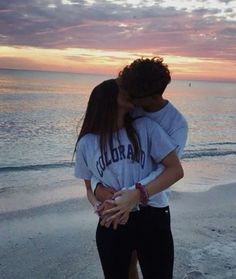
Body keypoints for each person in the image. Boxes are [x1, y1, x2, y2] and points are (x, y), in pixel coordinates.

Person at [74, 78, 184, 279]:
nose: (129, 91)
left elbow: (175, 170)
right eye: (122, 89)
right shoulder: (86, 143)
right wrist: (99, 207)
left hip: (152, 216)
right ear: (110, 100)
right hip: (113, 219)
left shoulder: (145, 127)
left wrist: (137, 194)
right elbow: (89, 189)